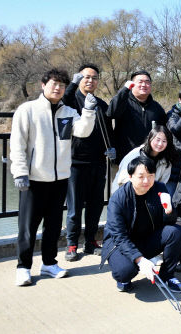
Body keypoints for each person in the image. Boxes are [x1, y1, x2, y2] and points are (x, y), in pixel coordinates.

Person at [10, 68, 96, 286]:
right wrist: (20, 172)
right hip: (33, 179)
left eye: (62, 85)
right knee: (28, 227)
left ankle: (49, 263)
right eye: (53, 84)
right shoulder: (27, 110)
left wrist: (88, 110)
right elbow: (17, 144)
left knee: (53, 226)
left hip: (60, 179)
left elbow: (83, 131)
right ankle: (23, 267)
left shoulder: (67, 112)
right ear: (43, 85)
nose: (57, 88)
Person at [100, 156, 181, 293]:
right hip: (120, 244)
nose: (146, 181)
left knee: (177, 232)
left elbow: (169, 222)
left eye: (150, 176)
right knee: (125, 271)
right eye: (141, 176)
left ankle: (167, 276)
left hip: (146, 238)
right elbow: (118, 236)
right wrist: (140, 260)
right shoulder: (118, 199)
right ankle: (124, 276)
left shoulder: (159, 188)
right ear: (130, 177)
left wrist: (169, 210)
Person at [62, 63, 116, 262]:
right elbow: (62, 100)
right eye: (86, 77)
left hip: (98, 162)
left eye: (94, 77)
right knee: (75, 207)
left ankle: (91, 242)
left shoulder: (101, 104)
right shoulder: (72, 100)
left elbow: (108, 131)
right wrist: (71, 85)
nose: (90, 81)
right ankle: (71, 244)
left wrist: (111, 148)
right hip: (76, 162)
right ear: (80, 79)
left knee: (95, 205)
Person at [107, 70, 167, 163]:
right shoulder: (123, 102)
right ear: (132, 84)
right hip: (123, 158)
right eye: (140, 82)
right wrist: (124, 90)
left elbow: (163, 131)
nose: (144, 85)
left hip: (148, 159)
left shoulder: (157, 108)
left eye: (147, 82)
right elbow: (111, 113)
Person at [113, 126, 178, 194]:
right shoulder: (135, 154)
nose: (160, 144)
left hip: (150, 196)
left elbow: (161, 185)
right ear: (150, 138)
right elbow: (122, 180)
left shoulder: (166, 162)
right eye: (158, 140)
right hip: (126, 193)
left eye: (164, 141)